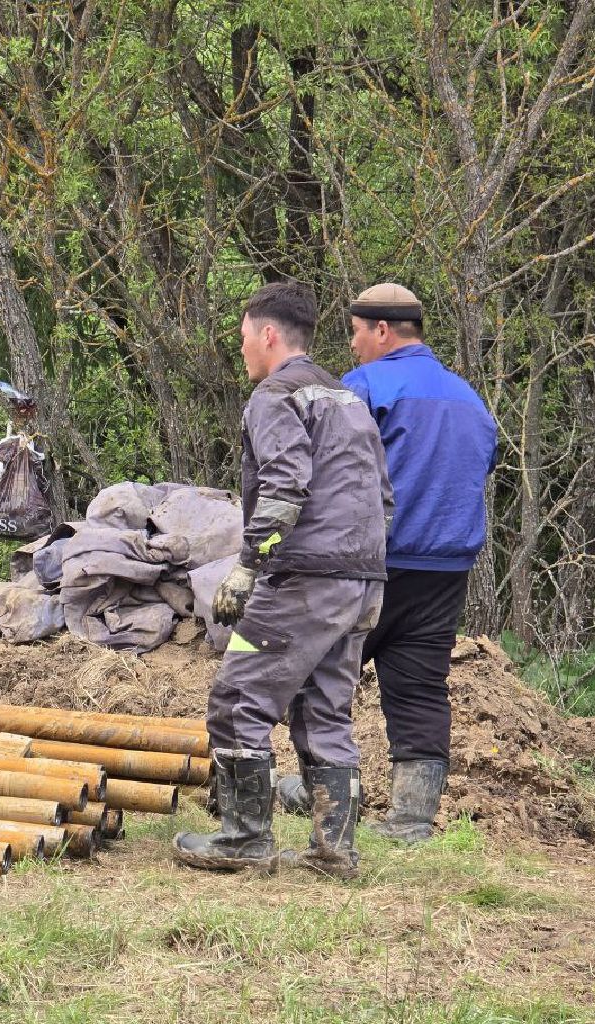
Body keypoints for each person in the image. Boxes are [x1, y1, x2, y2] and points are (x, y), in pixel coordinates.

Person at [173, 280, 391, 880]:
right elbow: (383, 494)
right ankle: (334, 852)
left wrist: (247, 567)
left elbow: (286, 481)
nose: (241, 350)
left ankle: (244, 839)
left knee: (238, 698)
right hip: (363, 581)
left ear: (268, 335)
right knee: (325, 710)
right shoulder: (344, 396)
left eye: (243, 338)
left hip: (304, 579)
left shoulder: (276, 396)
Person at [276, 283, 498, 842]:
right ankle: (411, 818)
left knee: (324, 676)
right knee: (420, 685)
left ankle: (323, 791)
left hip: (372, 562)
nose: (351, 346)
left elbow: (324, 466)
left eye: (355, 332)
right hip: (446, 568)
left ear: (381, 330)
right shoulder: (468, 397)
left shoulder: (368, 385)